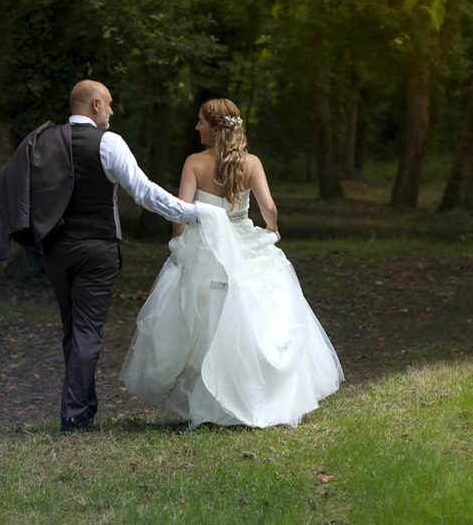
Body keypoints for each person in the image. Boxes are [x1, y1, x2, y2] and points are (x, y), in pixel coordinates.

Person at [0, 80, 199, 433]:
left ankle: (83, 408)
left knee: (73, 329)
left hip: (56, 249)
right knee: (85, 332)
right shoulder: (109, 143)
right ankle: (73, 415)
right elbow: (144, 192)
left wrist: (26, 230)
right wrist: (193, 213)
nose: (113, 112)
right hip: (97, 249)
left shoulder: (42, 141)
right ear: (96, 104)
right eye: (110, 104)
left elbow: (13, 184)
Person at [120, 98, 343, 428]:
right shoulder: (251, 163)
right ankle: (255, 393)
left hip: (205, 247)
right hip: (243, 242)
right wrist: (272, 230)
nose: (196, 128)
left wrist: (179, 245)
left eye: (200, 122)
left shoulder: (194, 163)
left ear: (214, 127)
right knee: (251, 315)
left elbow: (180, 213)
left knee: (205, 321)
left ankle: (211, 400)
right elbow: (268, 206)